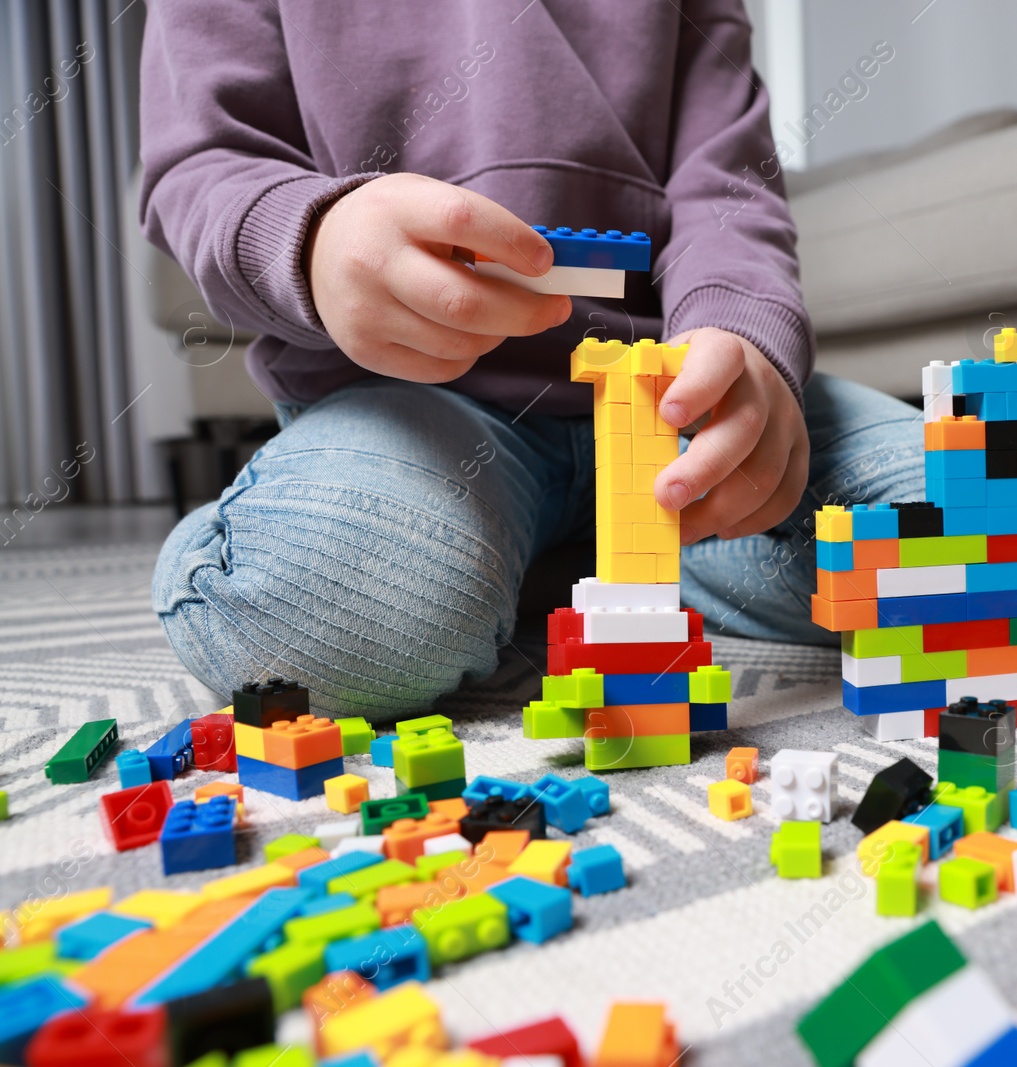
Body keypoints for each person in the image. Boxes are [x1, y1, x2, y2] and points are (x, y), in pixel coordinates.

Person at [140, 0, 923, 716]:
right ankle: (484, 545)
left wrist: (744, 333)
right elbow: (205, 164)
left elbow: (728, 183)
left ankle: (574, 562)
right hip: (412, 403)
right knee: (305, 621)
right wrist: (311, 239)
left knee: (1003, 547)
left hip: (676, 397)